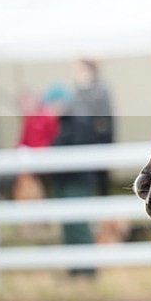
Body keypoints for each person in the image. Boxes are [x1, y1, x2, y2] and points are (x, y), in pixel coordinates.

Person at [51, 59, 115, 276]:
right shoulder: (77, 100)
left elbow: (100, 130)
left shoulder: (94, 97)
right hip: (72, 173)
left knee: (78, 222)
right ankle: (76, 268)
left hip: (79, 173)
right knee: (71, 222)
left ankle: (86, 268)